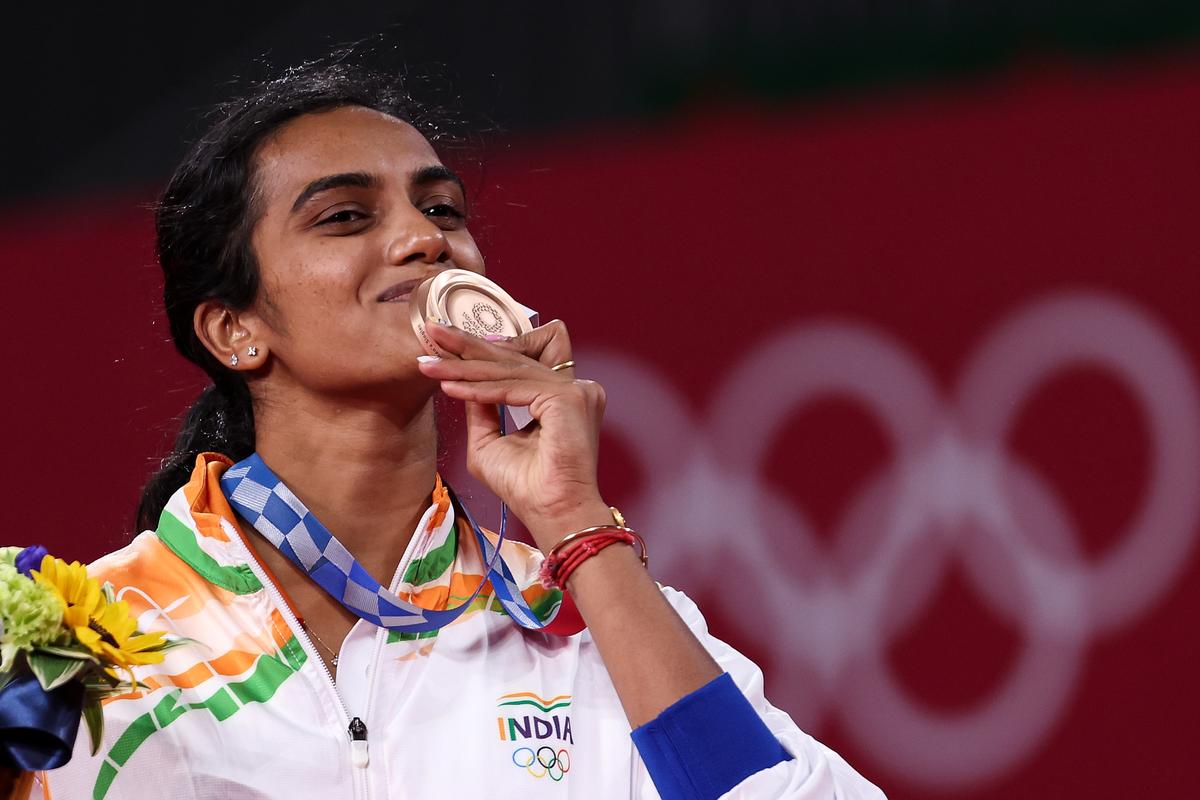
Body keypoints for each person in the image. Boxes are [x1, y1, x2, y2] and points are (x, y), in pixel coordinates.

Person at [40, 61, 885, 799]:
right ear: (233, 329)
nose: (423, 239)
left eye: (442, 209)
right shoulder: (79, 651)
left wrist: (579, 529)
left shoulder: (582, 624)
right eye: (344, 217)